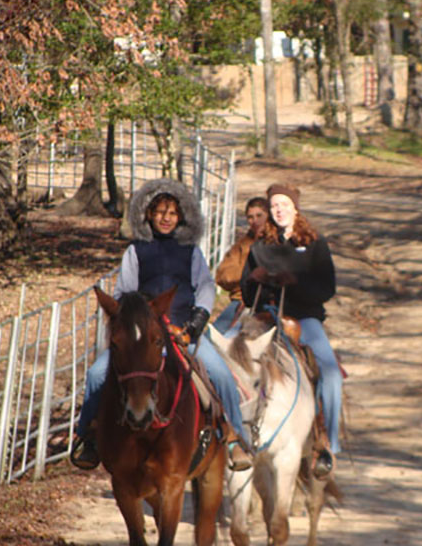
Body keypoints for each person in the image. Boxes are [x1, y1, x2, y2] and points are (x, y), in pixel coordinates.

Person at [71, 178, 252, 472]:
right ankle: (88, 436)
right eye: (160, 213)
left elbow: (205, 287)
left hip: (183, 331)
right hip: (144, 334)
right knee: (95, 374)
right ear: (149, 215)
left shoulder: (191, 250)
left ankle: (235, 438)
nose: (166, 219)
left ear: (181, 217)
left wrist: (195, 323)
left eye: (172, 214)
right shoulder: (136, 251)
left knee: (218, 373)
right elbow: (124, 291)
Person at [239, 183, 341, 479]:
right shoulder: (260, 246)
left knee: (331, 374)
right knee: (233, 361)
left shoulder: (314, 243)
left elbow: (327, 288)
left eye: (284, 204)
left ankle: (327, 445)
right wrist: (255, 280)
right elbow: (247, 296)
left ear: (295, 208)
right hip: (264, 318)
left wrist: (294, 282)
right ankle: (232, 436)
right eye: (274, 206)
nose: (279, 210)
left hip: (303, 318)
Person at [212, 196, 269, 334]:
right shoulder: (242, 245)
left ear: (268, 215)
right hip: (240, 301)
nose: (254, 221)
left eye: (259, 215)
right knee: (211, 338)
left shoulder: (277, 242)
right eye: (250, 217)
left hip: (268, 304)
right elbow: (222, 276)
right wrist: (248, 277)